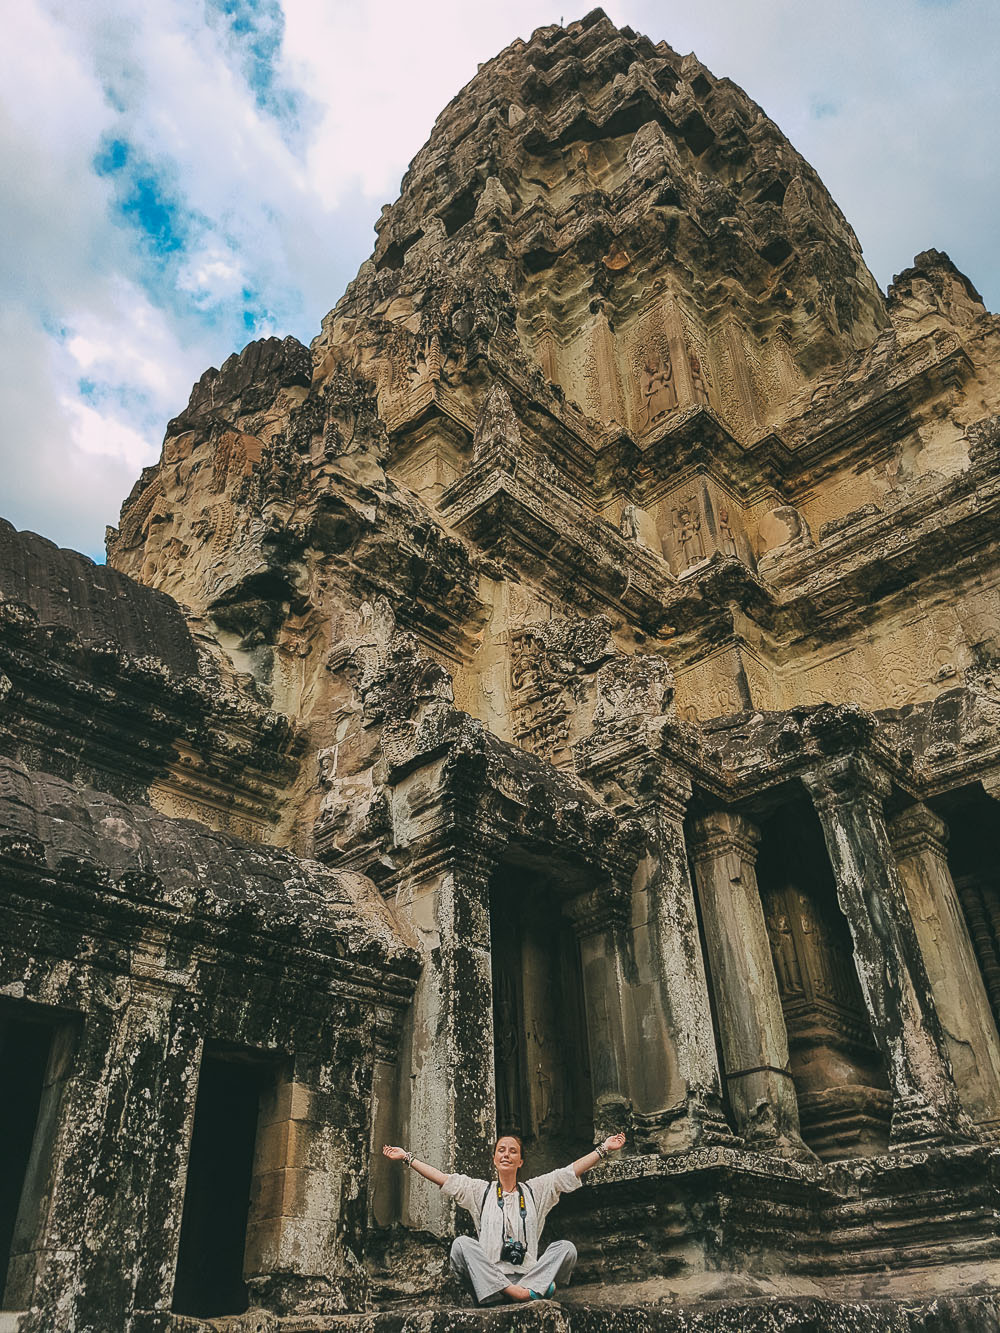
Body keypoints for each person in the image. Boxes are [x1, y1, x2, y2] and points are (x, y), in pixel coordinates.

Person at [382, 1131, 626, 1304]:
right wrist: (407, 1158)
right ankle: (517, 1293)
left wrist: (604, 1149)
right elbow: (442, 1178)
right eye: (501, 1150)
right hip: (491, 1278)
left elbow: (570, 1171)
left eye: (513, 1151)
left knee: (567, 1249)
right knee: (461, 1246)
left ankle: (524, 1289)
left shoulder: (536, 1190)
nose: (506, 1154)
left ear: (520, 1161)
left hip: (527, 1276)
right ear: (495, 1160)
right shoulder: (480, 1191)